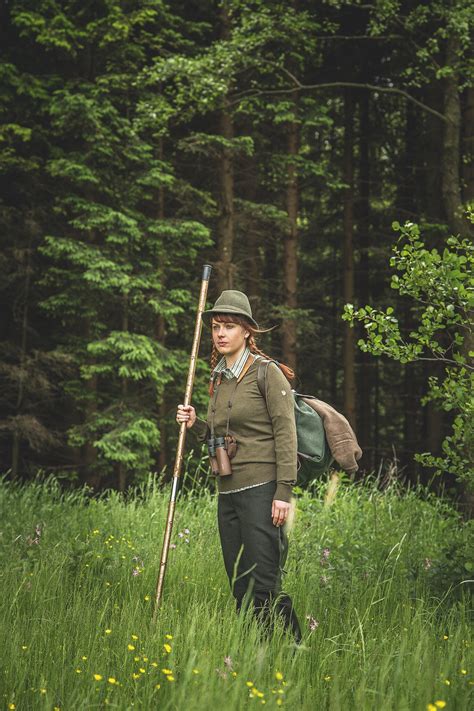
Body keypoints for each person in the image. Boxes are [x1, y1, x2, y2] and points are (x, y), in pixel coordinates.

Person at [176, 290, 302, 643]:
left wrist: (284, 492)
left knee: (265, 582)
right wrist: (197, 424)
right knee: (239, 582)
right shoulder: (219, 377)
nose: (220, 333)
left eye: (229, 326)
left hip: (263, 491)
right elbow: (220, 435)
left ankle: (295, 648)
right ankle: (253, 655)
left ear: (247, 331)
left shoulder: (267, 373)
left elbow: (286, 433)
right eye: (217, 326)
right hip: (228, 493)